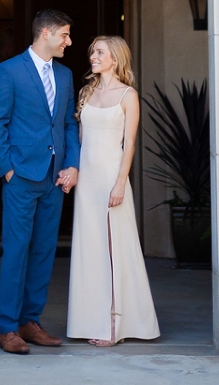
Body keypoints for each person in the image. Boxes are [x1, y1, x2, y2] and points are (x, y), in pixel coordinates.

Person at [0, 8, 80, 355]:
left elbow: (69, 124)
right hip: (22, 175)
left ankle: (30, 320)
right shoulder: (9, 71)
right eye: (65, 35)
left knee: (43, 252)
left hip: (54, 178)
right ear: (46, 34)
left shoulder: (66, 75)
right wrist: (8, 168)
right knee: (16, 250)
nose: (69, 42)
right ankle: (8, 327)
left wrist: (72, 165)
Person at [67, 36, 160, 346]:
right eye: (93, 50)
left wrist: (120, 183)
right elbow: (80, 139)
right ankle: (88, 322)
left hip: (111, 179)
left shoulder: (128, 95)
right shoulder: (86, 92)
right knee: (89, 251)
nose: (93, 55)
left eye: (100, 52)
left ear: (116, 59)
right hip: (87, 183)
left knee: (114, 251)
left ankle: (114, 328)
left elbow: (129, 144)